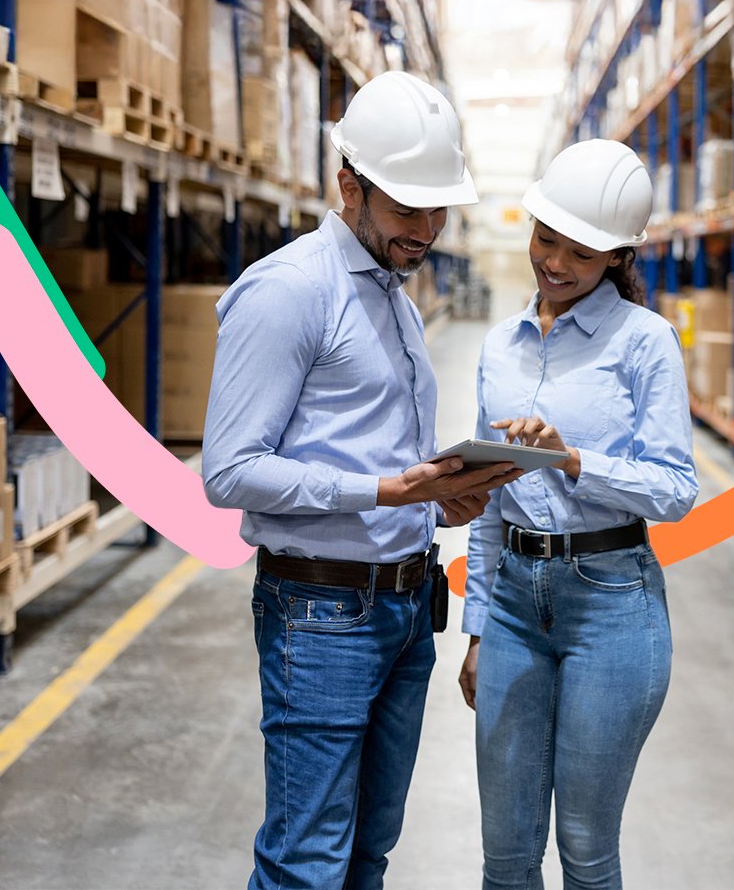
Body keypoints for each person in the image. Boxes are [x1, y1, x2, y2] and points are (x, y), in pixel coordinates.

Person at [203, 71, 523, 890]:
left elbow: (377, 452)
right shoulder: (288, 292)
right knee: (306, 860)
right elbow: (230, 471)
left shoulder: (393, 298)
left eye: (436, 209)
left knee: (367, 852)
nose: (425, 230)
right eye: (406, 208)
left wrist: (442, 501)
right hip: (320, 614)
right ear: (349, 184)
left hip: (406, 604)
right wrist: (384, 492)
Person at [457, 138, 698, 890]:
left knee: (587, 850)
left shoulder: (645, 343)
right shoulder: (500, 347)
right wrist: (476, 627)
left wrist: (574, 461)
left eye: (581, 254)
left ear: (617, 257)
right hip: (512, 613)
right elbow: (491, 496)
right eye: (545, 240)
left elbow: (674, 490)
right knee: (504, 855)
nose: (555, 264)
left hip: (611, 602)